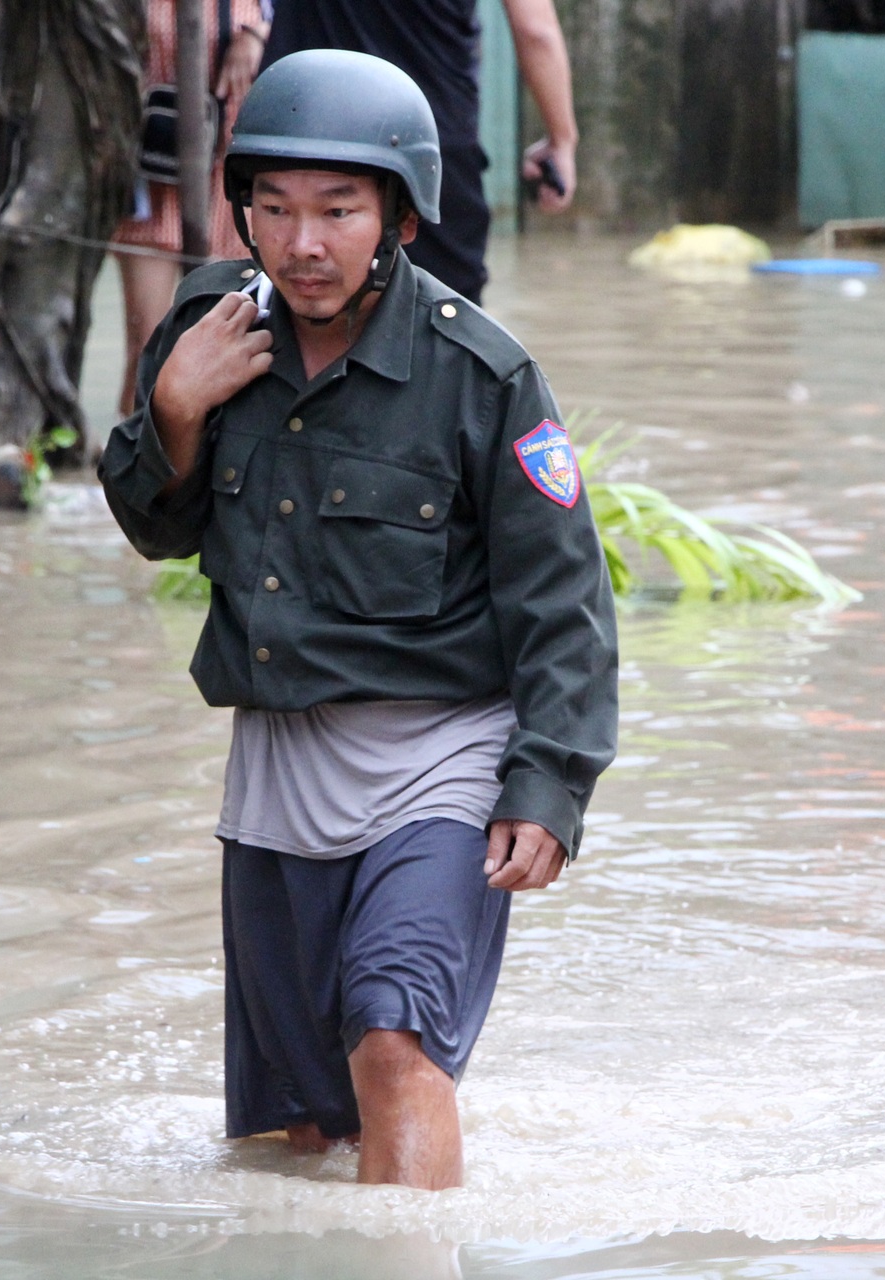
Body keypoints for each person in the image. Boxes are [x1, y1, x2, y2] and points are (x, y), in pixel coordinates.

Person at [98, 50, 617, 1189]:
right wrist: (175, 408)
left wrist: (550, 783)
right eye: (275, 210)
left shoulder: (485, 377)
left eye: (338, 210)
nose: (304, 244)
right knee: (301, 1133)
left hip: (443, 755)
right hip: (278, 768)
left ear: (400, 219)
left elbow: (565, 602)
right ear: (244, 212)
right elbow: (154, 526)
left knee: (393, 1043)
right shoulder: (208, 326)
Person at [260, 0, 579, 304]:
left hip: (297, 127)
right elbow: (536, 31)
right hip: (430, 141)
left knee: (279, 307)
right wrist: (561, 139)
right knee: (446, 316)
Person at [112, 0, 272, 417]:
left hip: (228, 172)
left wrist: (257, 33)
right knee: (147, 337)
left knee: (234, 327)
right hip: (152, 169)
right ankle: (137, 455)